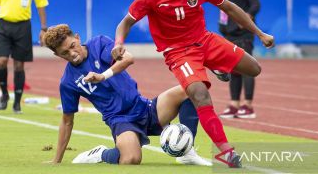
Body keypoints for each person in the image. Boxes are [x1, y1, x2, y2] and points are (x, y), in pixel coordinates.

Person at [111, 0, 274, 167]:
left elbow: (230, 8)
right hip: (178, 52)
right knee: (200, 94)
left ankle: (216, 66)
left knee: (254, 69)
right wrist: (119, 44)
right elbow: (126, 23)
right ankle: (226, 153)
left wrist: (259, 33)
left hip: (206, 41)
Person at [43, 24, 210, 166]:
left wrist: (102, 76)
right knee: (131, 159)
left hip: (144, 107)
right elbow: (67, 121)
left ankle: (186, 152)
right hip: (120, 120)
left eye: (73, 45)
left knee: (191, 89)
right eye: (65, 53)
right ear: (58, 55)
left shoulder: (99, 44)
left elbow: (128, 58)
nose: (72, 53)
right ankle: (101, 154)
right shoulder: (68, 82)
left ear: (78, 38)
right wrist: (57, 160)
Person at [217, 0, 260, 119]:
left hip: (243, 34)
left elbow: (255, 4)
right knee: (232, 67)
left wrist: (246, 19)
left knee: (246, 68)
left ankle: (248, 105)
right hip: (227, 32)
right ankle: (234, 103)